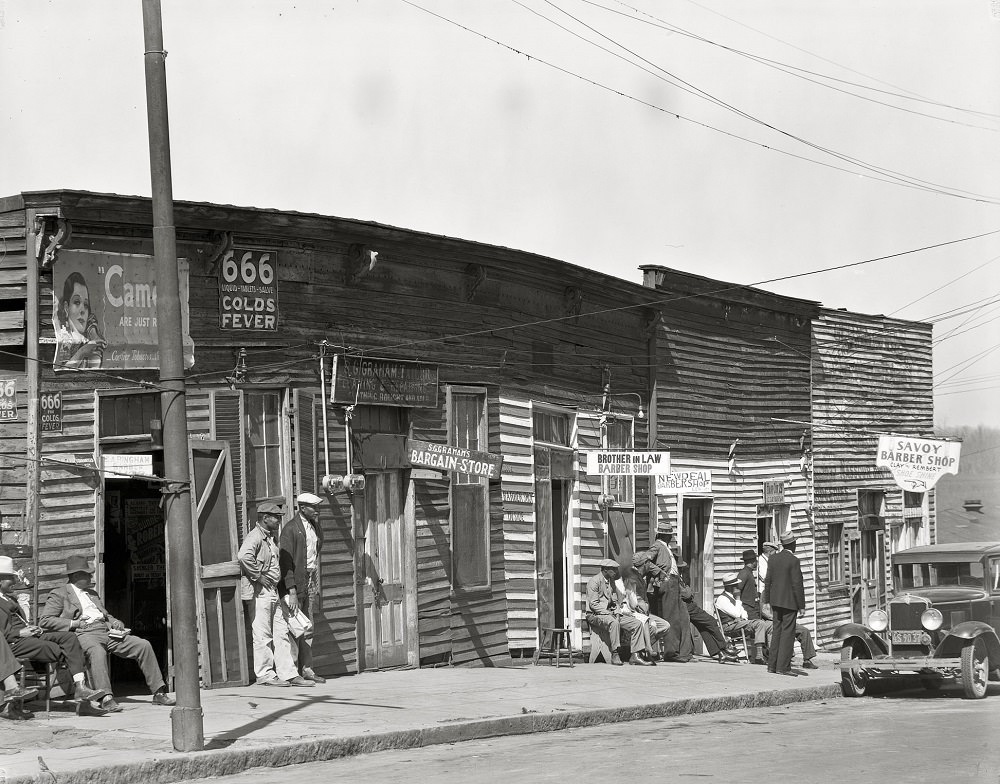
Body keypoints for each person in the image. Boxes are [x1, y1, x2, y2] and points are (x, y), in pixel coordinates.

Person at [40, 555, 175, 712]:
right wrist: (74, 623)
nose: (91, 576)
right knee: (97, 652)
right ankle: (106, 698)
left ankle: (158, 693)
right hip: (83, 633)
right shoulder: (60, 594)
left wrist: (114, 622)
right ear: (76, 575)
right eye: (87, 574)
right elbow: (45, 620)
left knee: (143, 645)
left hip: (106, 632)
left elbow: (105, 615)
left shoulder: (92, 593)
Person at [0, 556, 109, 715]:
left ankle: (80, 687)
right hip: (13, 643)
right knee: (67, 651)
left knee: (70, 638)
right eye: (11, 578)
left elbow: (19, 621)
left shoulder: (9, 598)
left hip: (28, 637)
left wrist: (31, 628)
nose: (15, 582)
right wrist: (20, 632)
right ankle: (82, 698)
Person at [238, 501, 311, 687]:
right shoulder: (255, 537)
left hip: (273, 592)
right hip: (260, 592)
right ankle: (265, 675)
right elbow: (243, 556)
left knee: (281, 632)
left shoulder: (270, 538)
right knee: (262, 635)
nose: (279, 521)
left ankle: (288, 673)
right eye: (276, 518)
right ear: (265, 518)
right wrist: (258, 575)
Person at [737, 549, 817, 670]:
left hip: (776, 619)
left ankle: (807, 659)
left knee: (803, 630)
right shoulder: (763, 589)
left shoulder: (777, 590)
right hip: (771, 620)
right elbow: (763, 609)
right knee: (785, 632)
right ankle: (780, 663)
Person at [279, 492, 326, 684]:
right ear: (302, 507)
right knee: (294, 626)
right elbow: (286, 562)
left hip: (310, 577)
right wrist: (291, 589)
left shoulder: (314, 526)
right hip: (295, 581)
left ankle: (307, 668)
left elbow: (316, 548)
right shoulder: (290, 529)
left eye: (316, 507)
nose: (316, 510)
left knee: (308, 625)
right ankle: (293, 672)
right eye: (313, 507)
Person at [638, 524, 694, 662]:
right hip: (667, 583)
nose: (671, 537)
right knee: (672, 618)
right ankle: (671, 653)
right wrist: (659, 572)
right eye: (669, 535)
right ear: (665, 536)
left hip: (674, 583)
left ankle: (683, 652)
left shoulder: (666, 548)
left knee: (682, 617)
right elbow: (644, 561)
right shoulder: (657, 546)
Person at [585, 559, 653, 666]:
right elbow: (594, 604)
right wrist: (608, 613)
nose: (616, 572)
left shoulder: (611, 582)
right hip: (595, 615)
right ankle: (615, 653)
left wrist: (616, 611)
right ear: (606, 570)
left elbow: (616, 600)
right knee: (614, 623)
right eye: (613, 569)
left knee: (637, 624)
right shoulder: (594, 581)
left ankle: (635, 655)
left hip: (611, 613)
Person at [762, 531, 806, 676]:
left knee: (777, 633)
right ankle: (783, 667)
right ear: (793, 544)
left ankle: (772, 665)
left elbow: (768, 580)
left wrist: (767, 600)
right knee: (787, 634)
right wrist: (801, 605)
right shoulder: (793, 561)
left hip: (775, 601)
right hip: (789, 602)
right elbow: (797, 584)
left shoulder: (773, 559)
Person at [715, 572, 771, 664]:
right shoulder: (722, 599)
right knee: (760, 623)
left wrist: (742, 619)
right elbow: (737, 613)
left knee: (770, 625)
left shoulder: (733, 598)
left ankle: (771, 655)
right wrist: (738, 599)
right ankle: (759, 656)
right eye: (736, 585)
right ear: (730, 587)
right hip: (729, 626)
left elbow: (744, 614)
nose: (737, 588)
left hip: (739, 624)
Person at [53, 271, 106, 369]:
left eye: (86, 305)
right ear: (66, 307)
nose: (82, 310)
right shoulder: (65, 338)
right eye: (77, 302)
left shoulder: (88, 339)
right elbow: (61, 372)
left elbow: (94, 373)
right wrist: (82, 352)